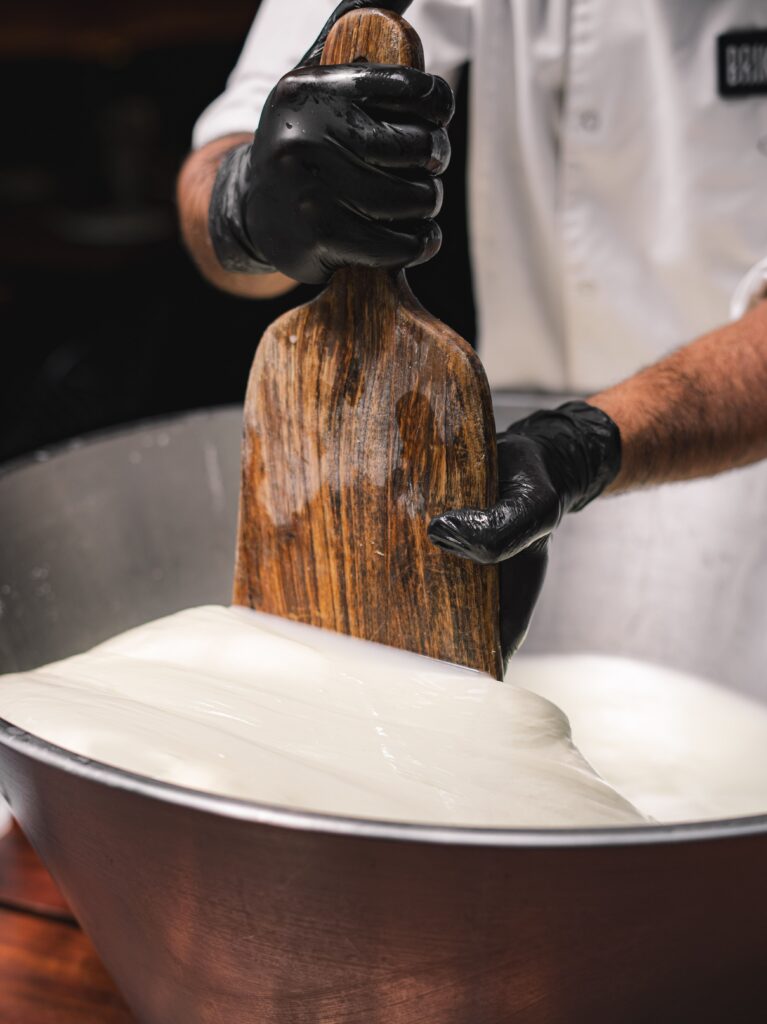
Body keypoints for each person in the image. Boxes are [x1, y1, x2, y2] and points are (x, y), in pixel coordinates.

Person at [178, 0, 767, 665]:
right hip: (505, 480)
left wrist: (582, 447)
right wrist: (246, 204)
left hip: (751, 527)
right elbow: (218, 157)